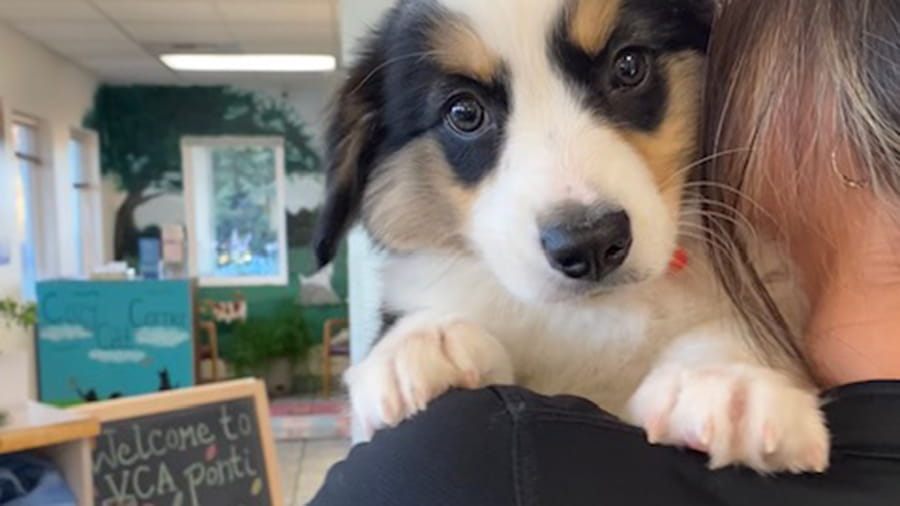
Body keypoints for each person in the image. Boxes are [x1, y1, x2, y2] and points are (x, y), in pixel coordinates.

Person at [310, 0, 900, 504]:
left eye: (627, 69)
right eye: (466, 113)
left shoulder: (747, 252)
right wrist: (429, 336)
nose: (580, 207)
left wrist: (722, 358)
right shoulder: (442, 312)